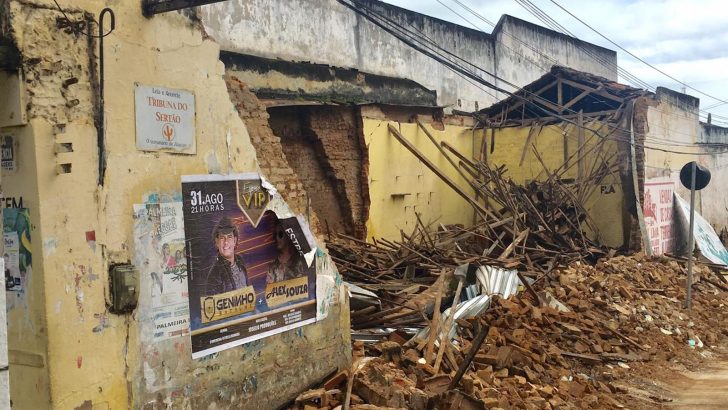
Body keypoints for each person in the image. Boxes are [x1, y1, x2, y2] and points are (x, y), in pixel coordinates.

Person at [205, 216, 249, 295]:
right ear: (217, 242)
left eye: (229, 237)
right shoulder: (215, 275)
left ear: (235, 240)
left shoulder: (240, 261)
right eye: (222, 237)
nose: (226, 242)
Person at [266, 219, 309, 284]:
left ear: (288, 236)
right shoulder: (272, 266)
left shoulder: (299, 262)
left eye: (280, 234)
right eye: (275, 235)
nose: (277, 238)